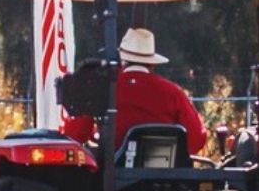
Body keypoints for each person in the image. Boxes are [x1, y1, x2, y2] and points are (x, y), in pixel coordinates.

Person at [60, 27, 208, 154]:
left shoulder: (102, 89)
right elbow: (196, 141)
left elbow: (74, 135)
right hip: (165, 179)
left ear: (122, 61)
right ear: (152, 64)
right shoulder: (173, 92)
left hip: (113, 178)